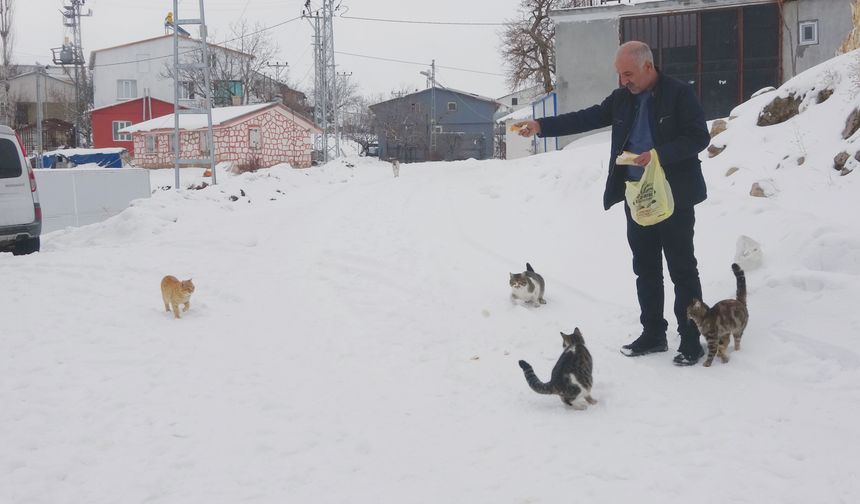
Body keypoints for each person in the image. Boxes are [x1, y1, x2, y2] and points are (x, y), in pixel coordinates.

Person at [514, 41, 711, 366]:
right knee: (645, 268)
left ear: (648, 67)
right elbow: (587, 117)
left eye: (629, 74)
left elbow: (698, 137)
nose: (623, 81)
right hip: (637, 195)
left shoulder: (678, 94)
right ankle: (653, 334)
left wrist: (659, 155)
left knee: (682, 269)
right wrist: (542, 126)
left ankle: (691, 339)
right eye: (620, 75)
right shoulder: (622, 99)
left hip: (674, 195)